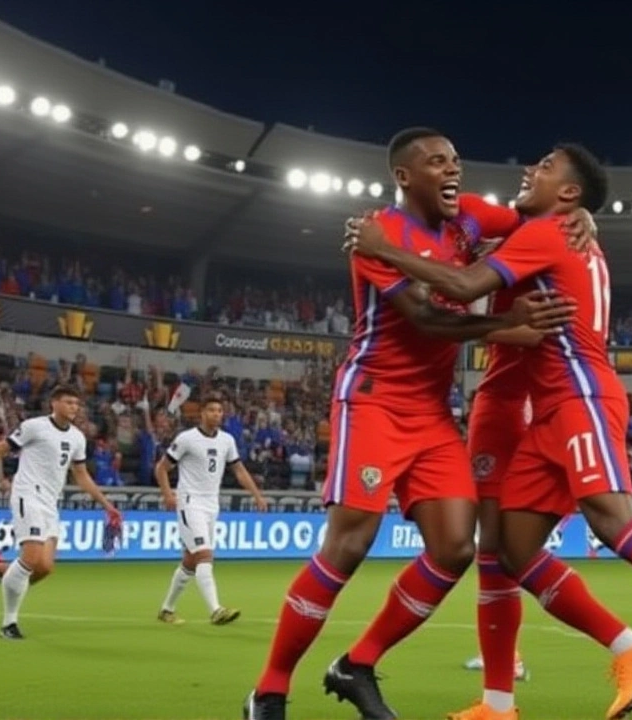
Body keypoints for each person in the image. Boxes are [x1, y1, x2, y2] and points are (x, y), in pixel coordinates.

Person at [347, 143, 632, 718]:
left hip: (577, 394)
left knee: (611, 518)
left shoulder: (548, 232)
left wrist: (383, 249)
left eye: (544, 167)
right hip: (543, 407)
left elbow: (466, 287)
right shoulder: (539, 228)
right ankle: (567, 673)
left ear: (568, 194)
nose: (529, 169)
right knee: (508, 549)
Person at [245, 127, 575, 720]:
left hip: (432, 412)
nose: (453, 171)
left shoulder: (467, 218)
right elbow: (427, 319)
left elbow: (536, 219)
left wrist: (582, 217)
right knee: (349, 545)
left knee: (454, 548)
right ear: (404, 176)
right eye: (437, 163)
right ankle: (269, 691)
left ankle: (357, 664)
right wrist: (508, 324)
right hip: (373, 400)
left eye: (456, 161)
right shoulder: (375, 236)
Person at [0, 385, 122, 639]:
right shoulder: (35, 426)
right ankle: (8, 623)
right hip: (28, 495)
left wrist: (107, 505)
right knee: (29, 559)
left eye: (76, 403)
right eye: (68, 402)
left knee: (43, 567)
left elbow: (82, 475)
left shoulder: (77, 438)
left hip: (50, 503)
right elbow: (6, 446)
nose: (74, 407)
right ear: (54, 403)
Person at [155, 393, 268, 625]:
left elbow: (239, 470)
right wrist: (168, 494)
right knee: (205, 555)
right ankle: (216, 610)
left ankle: (166, 610)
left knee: (190, 561)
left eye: (219, 410)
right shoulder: (187, 439)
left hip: (211, 505)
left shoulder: (227, 440)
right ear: (202, 413)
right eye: (211, 410)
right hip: (190, 503)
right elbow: (161, 467)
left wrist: (257, 495)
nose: (216, 414)